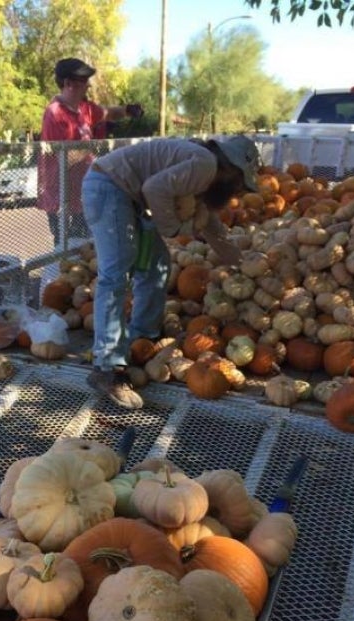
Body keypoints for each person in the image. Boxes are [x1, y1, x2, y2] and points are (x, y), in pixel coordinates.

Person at [80, 135, 260, 409]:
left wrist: (240, 263)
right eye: (239, 183)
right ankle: (106, 368)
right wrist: (173, 229)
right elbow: (154, 189)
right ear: (231, 169)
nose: (237, 191)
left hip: (128, 197)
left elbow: (209, 223)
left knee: (158, 265)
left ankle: (142, 335)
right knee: (116, 273)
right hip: (109, 188)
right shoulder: (205, 164)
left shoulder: (203, 170)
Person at [38, 58, 142, 246]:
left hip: (84, 193)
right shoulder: (54, 114)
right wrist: (97, 148)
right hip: (61, 198)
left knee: (89, 244)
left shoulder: (84, 109)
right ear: (68, 84)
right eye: (83, 81)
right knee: (67, 247)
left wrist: (127, 110)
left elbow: (108, 113)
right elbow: (63, 159)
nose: (88, 85)